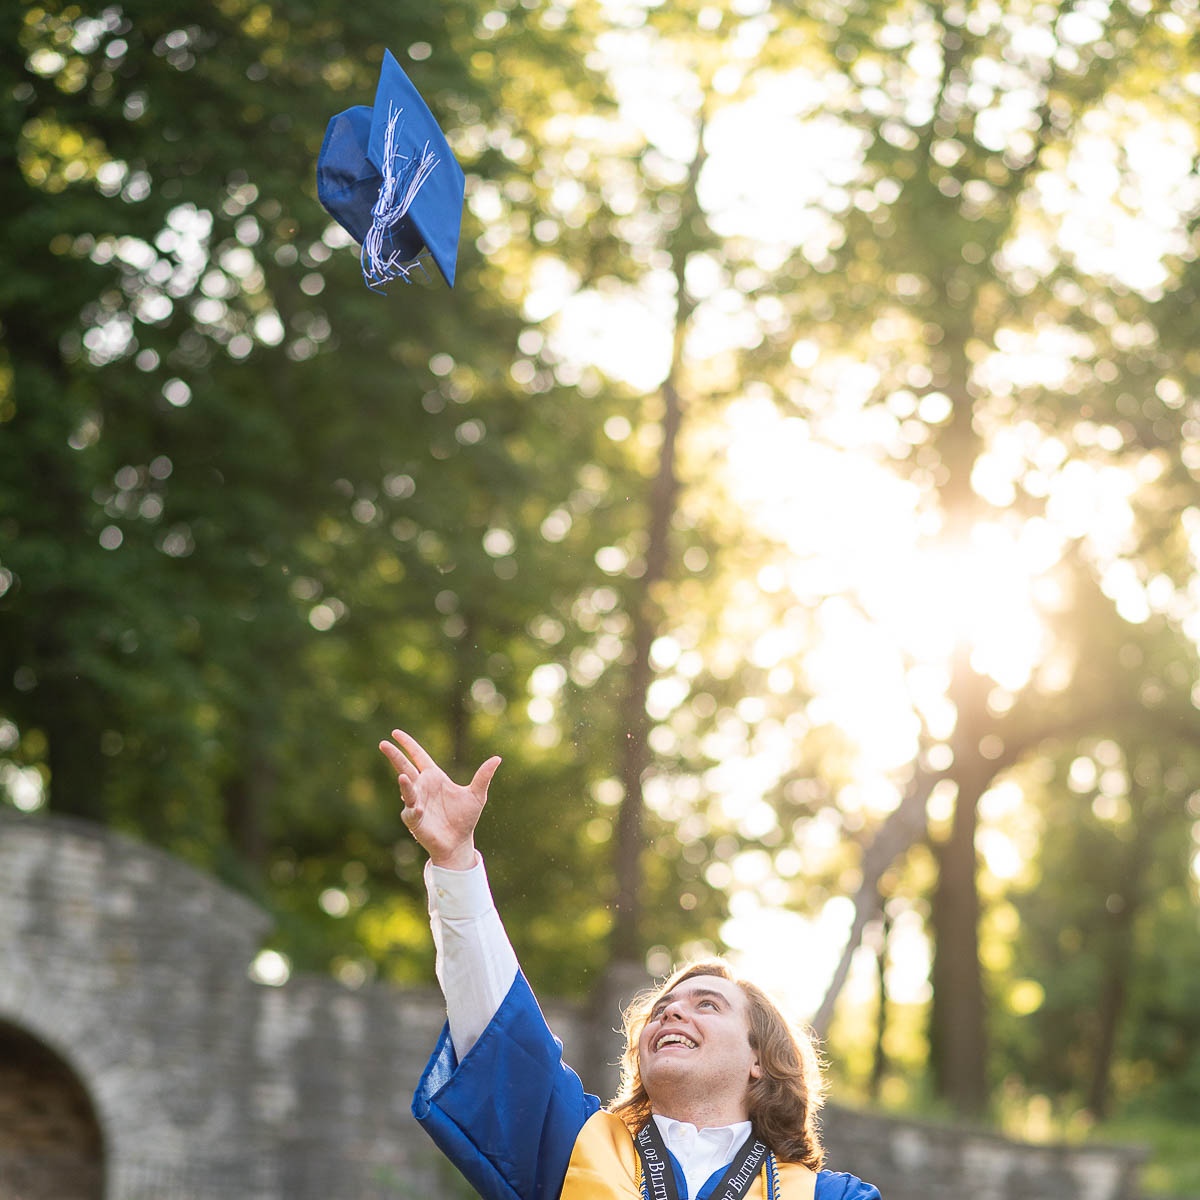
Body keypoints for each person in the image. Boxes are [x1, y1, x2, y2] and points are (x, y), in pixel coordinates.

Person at [379, 730, 882, 1200]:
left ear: (758, 1059)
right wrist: (456, 860)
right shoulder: (575, 1145)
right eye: (663, 1007)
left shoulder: (829, 1196)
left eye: (707, 1004)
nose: (672, 1014)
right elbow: (499, 1027)